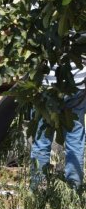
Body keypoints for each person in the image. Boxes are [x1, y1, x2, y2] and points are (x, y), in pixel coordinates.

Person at [30, 59, 86, 190]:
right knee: (75, 142)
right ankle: (73, 193)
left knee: (41, 142)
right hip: (77, 84)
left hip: (46, 85)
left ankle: (38, 193)